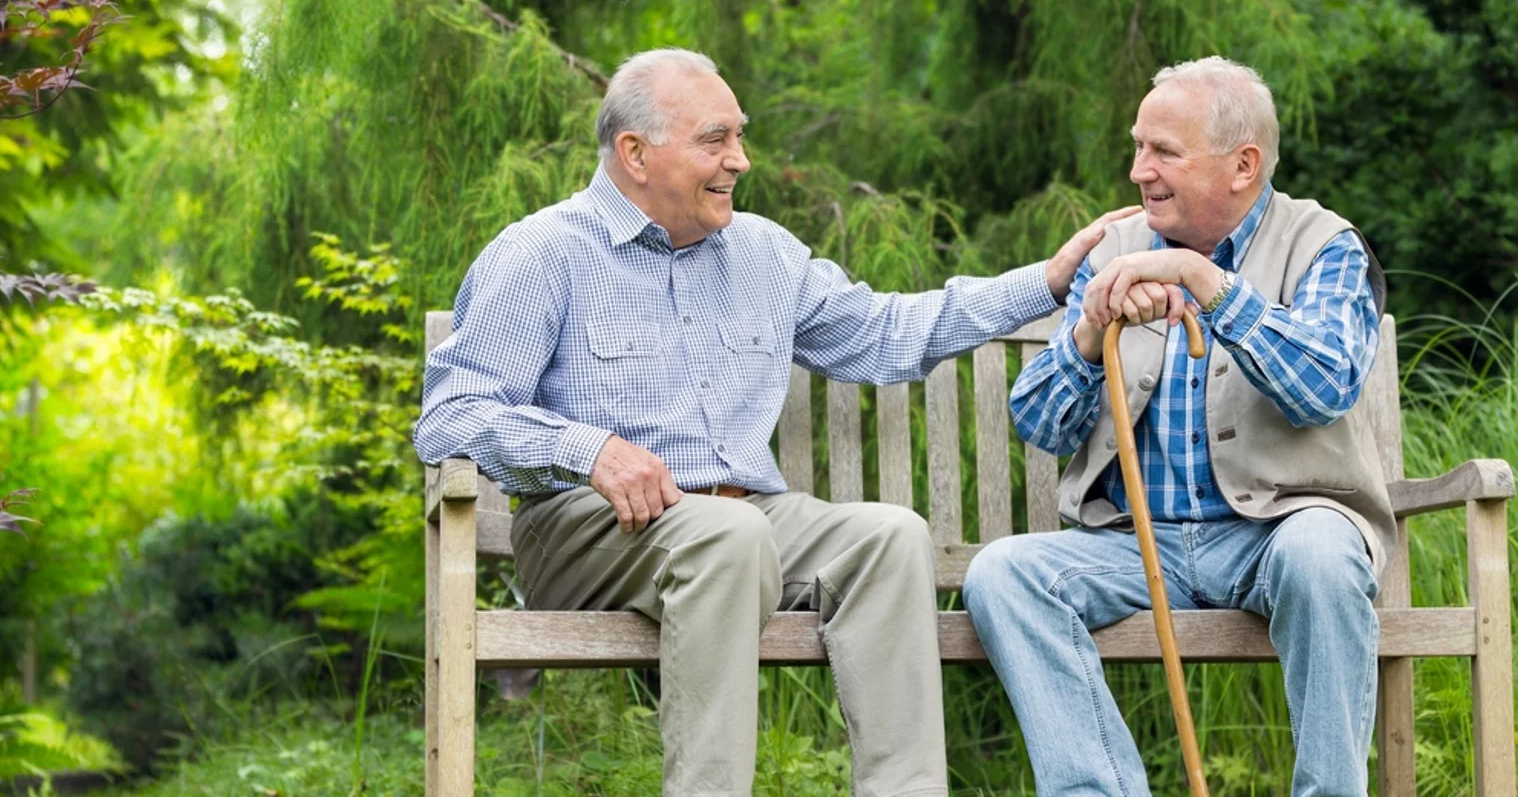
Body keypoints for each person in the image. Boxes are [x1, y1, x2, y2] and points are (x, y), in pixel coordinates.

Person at [412, 47, 1137, 797]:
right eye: (715, 139)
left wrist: (1046, 282)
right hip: (588, 531)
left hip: (741, 521)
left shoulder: (763, 255)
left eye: (739, 136)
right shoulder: (542, 253)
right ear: (635, 153)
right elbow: (452, 415)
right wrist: (588, 448)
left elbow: (889, 332)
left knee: (889, 539)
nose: (741, 160)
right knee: (731, 535)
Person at [964, 56, 1391, 797]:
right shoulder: (1119, 251)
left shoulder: (1323, 245)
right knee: (1002, 575)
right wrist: (1089, 336)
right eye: (1137, 147)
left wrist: (1213, 288)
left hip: (1278, 533)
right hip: (1136, 544)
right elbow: (1039, 420)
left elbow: (1324, 387)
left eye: (1163, 151)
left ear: (1242, 164)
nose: (1138, 171)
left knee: (1324, 555)